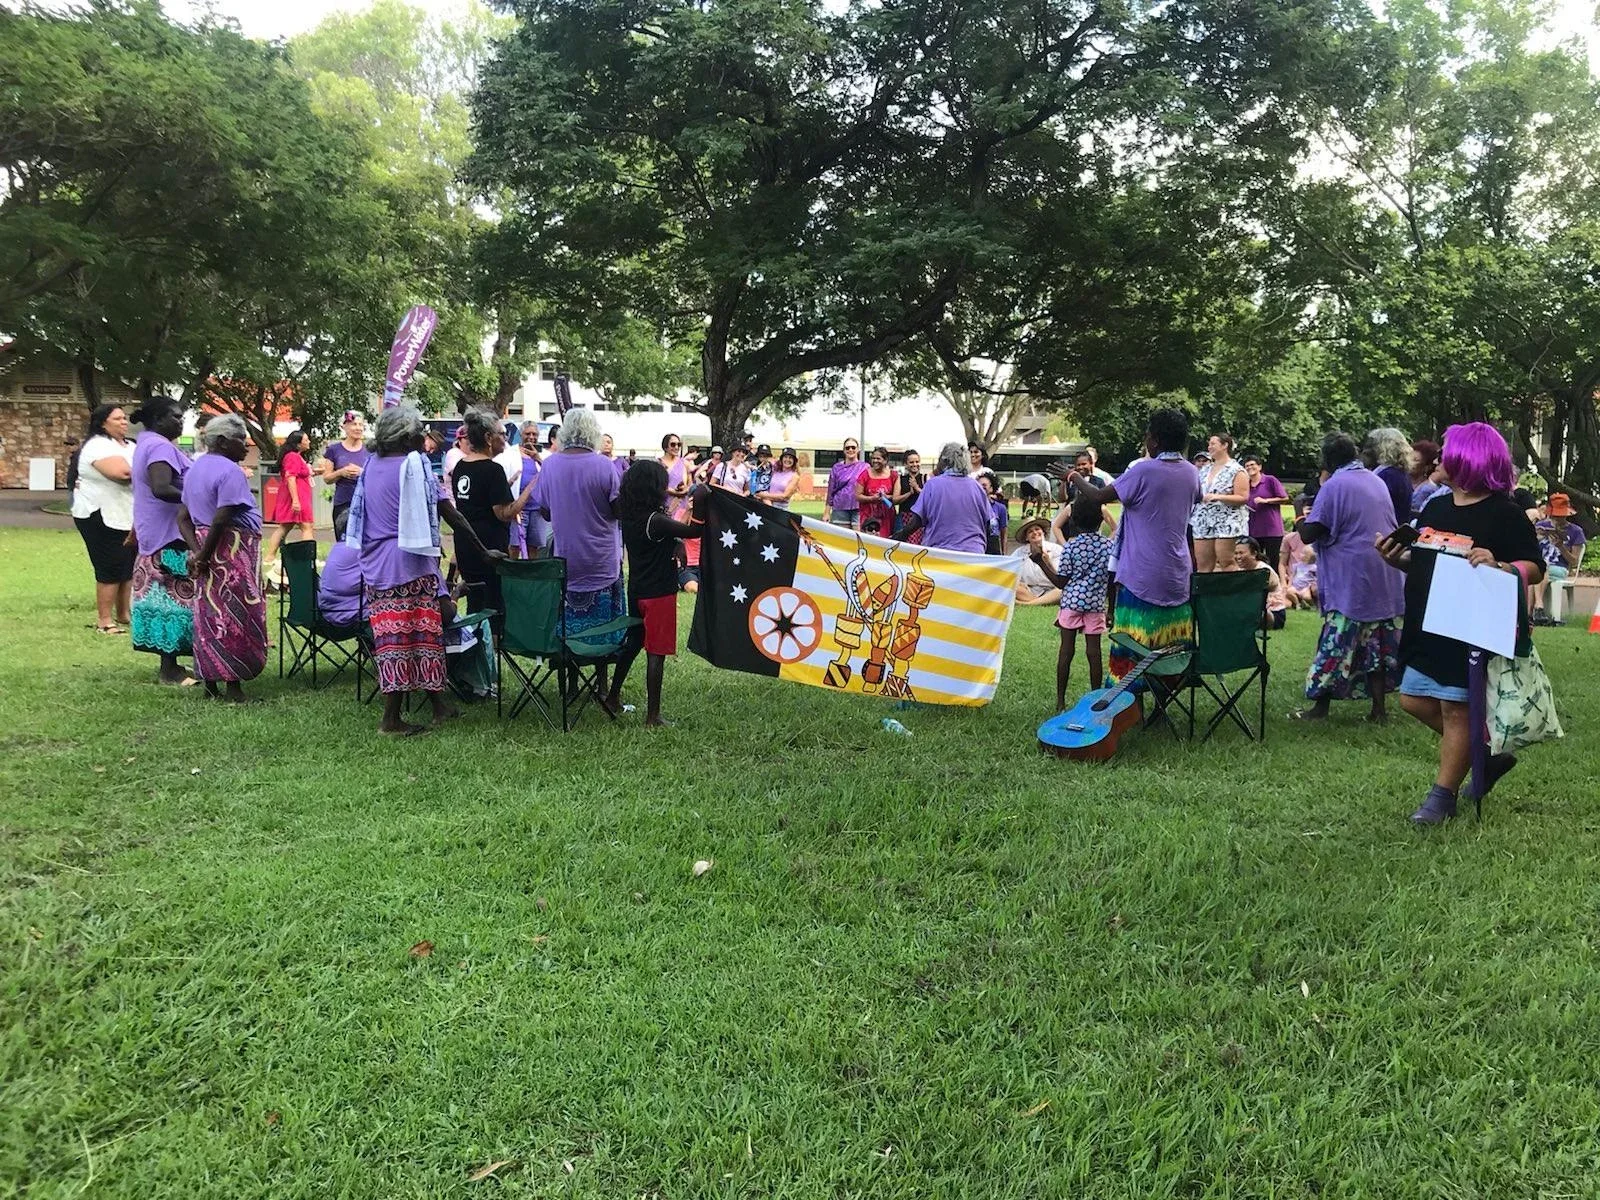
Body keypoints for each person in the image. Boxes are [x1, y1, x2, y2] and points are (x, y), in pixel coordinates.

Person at [1377, 422, 1545, 824]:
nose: (1438, 459)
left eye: (1447, 451)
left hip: (1468, 626)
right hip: (1424, 624)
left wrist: (1501, 564)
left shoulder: (1505, 513)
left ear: (1469, 457)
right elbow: (1424, 561)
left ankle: (1442, 798)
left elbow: (1535, 567)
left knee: (1456, 710)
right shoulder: (1435, 507)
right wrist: (1393, 559)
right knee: (1412, 699)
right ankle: (1483, 758)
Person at [350, 406, 499, 734]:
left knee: (416, 637)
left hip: (378, 564)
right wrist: (484, 551)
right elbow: (453, 516)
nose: (425, 438)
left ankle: (438, 705)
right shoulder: (415, 468)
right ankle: (390, 719)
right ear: (405, 437)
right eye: (420, 432)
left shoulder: (371, 465)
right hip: (409, 565)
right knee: (404, 641)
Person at [1069, 409, 1200, 680]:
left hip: (1141, 574)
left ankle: (1131, 702)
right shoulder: (1191, 473)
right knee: (1169, 645)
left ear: (1155, 440)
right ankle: (1164, 695)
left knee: (1132, 646)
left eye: (1148, 435)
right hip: (1178, 575)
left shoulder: (1144, 470)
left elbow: (1097, 495)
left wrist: (1074, 477)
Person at [1293, 432, 1405, 723]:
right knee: (1377, 645)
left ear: (1328, 460)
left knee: (1336, 642)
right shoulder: (1375, 480)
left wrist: (1298, 512)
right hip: (1383, 572)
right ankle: (1379, 710)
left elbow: (1311, 532)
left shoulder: (1335, 485)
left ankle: (1320, 708)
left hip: (1352, 580)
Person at [533, 407, 628, 701]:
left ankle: (572, 685)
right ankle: (600, 684)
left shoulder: (549, 466)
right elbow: (617, 509)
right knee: (603, 625)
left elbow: (545, 510)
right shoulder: (603, 466)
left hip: (566, 558)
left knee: (570, 625)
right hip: (601, 558)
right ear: (593, 433)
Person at [178, 414, 268, 701]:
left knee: (207, 613)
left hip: (207, 549)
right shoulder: (230, 472)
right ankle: (233, 686)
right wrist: (204, 555)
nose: (245, 446)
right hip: (231, 553)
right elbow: (223, 515)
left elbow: (183, 518)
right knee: (232, 614)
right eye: (240, 440)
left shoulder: (195, 468)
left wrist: (196, 551)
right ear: (221, 441)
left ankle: (210, 683)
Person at [609, 461, 705, 725]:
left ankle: (612, 695)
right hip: (659, 593)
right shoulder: (657, 520)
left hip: (637, 589)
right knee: (656, 653)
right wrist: (700, 497)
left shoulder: (629, 517)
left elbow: (668, 537)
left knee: (633, 643)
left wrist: (674, 543)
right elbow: (695, 530)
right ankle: (653, 716)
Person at [129, 398, 197, 683]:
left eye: (182, 417)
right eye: (175, 417)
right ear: (157, 419)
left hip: (159, 531)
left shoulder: (148, 443)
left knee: (171, 596)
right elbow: (161, 487)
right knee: (170, 598)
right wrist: (200, 499)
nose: (180, 422)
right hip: (168, 535)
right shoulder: (158, 446)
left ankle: (173, 665)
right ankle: (169, 669)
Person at [1029, 496, 1114, 711]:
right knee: (1094, 653)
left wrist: (1042, 563)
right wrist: (1111, 609)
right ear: (1100, 521)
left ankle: (1060, 700)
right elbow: (1112, 581)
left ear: (1073, 521)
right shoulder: (1107, 546)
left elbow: (1061, 582)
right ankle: (1096, 699)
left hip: (1071, 604)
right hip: (1095, 605)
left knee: (1066, 651)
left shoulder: (1071, 547)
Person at [451, 408, 534, 619]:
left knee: (475, 604)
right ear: (488, 437)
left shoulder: (461, 466)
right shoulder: (492, 469)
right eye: (501, 434)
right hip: (489, 549)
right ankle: (489, 649)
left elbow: (478, 500)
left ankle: (473, 646)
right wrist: (531, 487)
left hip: (466, 545)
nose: (505, 438)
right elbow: (504, 513)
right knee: (493, 608)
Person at [68, 403, 135, 633]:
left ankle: (124, 613)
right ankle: (104, 620)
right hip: (99, 514)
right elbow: (122, 473)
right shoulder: (97, 445)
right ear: (103, 422)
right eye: (117, 419)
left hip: (126, 514)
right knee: (110, 565)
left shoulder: (131, 446)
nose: (123, 422)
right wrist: (148, 474)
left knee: (127, 564)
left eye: (124, 418)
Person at [898, 442, 1000, 554]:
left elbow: (916, 522)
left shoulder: (932, 485)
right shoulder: (976, 487)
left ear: (944, 461)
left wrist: (898, 536)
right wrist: (996, 554)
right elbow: (992, 523)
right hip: (973, 554)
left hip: (939, 554)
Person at [1190, 432, 1249, 571]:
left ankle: (1234, 591)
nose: (1209, 447)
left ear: (1225, 446)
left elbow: (1243, 497)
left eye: (1213, 444)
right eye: (1209, 444)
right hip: (1203, 520)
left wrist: (1219, 497)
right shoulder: (1204, 470)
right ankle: (1205, 592)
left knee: (1226, 561)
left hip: (1227, 521)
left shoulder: (1236, 470)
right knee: (1203, 565)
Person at [263, 429, 315, 578]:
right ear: (298, 444)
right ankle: (307, 556)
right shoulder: (293, 457)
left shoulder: (295, 457)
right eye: (306, 439)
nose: (309, 441)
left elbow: (300, 474)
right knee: (306, 526)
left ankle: (270, 555)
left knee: (285, 526)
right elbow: (291, 477)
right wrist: (296, 500)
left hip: (297, 495)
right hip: (297, 496)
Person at [1529, 493, 1585, 624]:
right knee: (1535, 569)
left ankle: (1537, 609)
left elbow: (1574, 562)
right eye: (1555, 516)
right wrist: (1535, 537)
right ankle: (1533, 613)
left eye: (1561, 516)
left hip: (1559, 567)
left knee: (1540, 568)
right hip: (1540, 564)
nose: (1558, 519)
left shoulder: (1576, 531)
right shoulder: (1540, 526)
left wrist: (1561, 547)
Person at [320, 410, 370, 526]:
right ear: (344, 427)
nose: (358, 428)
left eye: (360, 425)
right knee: (343, 542)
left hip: (366, 503)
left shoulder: (370, 450)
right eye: (354, 424)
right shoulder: (334, 450)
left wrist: (361, 472)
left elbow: (378, 477)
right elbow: (327, 478)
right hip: (343, 503)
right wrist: (341, 472)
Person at [1242, 453, 1288, 568]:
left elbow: (1284, 498)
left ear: (1259, 467)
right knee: (1256, 560)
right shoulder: (1245, 484)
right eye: (1247, 466)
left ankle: (1276, 583)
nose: (1249, 468)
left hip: (1272, 529)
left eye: (1252, 465)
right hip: (1253, 530)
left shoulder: (1270, 480)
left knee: (1273, 559)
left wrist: (1266, 501)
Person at [1364, 427, 1413, 528]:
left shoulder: (1388, 476)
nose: (1365, 451)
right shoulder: (1399, 474)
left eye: (1371, 446)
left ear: (1382, 448)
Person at [1234, 538, 1287, 629]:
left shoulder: (1264, 570)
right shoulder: (1240, 570)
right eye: (1236, 553)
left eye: (1241, 553)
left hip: (1272, 613)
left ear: (1254, 554)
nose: (1238, 557)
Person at [515, 421, 549, 558]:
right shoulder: (511, 453)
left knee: (534, 547)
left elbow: (551, 473)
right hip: (518, 509)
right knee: (515, 546)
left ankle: (531, 576)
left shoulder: (545, 455)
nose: (531, 437)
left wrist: (537, 458)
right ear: (520, 435)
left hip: (537, 509)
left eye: (534, 434)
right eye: (527, 433)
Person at [1010, 517, 1062, 606]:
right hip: (1030, 591)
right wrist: (1019, 582)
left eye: (1037, 529)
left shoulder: (1057, 549)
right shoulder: (1019, 553)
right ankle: (1041, 601)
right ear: (1026, 538)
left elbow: (1061, 578)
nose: (1035, 533)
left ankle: (1026, 604)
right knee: (1012, 587)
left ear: (1043, 532)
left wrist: (1048, 563)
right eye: (1030, 531)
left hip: (1052, 590)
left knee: (1064, 590)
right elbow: (1009, 572)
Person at [856, 446, 897, 535]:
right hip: (868, 516)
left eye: (878, 458)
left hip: (887, 517)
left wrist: (886, 497)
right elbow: (858, 496)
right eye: (873, 458)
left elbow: (897, 496)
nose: (875, 461)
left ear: (885, 460)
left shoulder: (893, 475)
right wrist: (872, 498)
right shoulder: (865, 475)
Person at [826, 439, 864, 526]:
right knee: (843, 537)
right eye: (847, 448)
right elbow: (830, 490)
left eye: (853, 447)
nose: (850, 450)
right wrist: (827, 512)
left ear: (858, 449)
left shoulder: (865, 467)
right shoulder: (836, 468)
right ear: (844, 450)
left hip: (859, 507)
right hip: (840, 506)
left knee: (858, 537)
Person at [1280, 526, 1318, 609]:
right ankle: (1298, 604)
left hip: (1308, 586)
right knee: (1286, 604)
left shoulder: (1319, 537)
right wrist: (1285, 584)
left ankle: (1313, 605)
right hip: (1294, 584)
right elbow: (1282, 564)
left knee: (1309, 594)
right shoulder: (1289, 538)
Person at [1408, 439, 1447, 515]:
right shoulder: (1401, 481)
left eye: (1415, 460)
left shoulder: (1431, 488)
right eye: (1409, 458)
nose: (1409, 462)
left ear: (1427, 467)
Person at [891, 450, 924, 538]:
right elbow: (895, 500)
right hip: (904, 517)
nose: (915, 464)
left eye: (917, 462)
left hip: (920, 518)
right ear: (906, 464)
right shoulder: (901, 479)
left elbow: (930, 498)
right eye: (911, 462)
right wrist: (909, 493)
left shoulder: (925, 478)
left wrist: (917, 488)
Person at [977, 470, 1010, 542]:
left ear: (991, 488)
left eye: (984, 485)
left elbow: (1003, 534)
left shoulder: (1000, 508)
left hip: (993, 549)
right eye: (978, 485)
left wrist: (1004, 552)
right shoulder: (972, 507)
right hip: (977, 548)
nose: (981, 487)